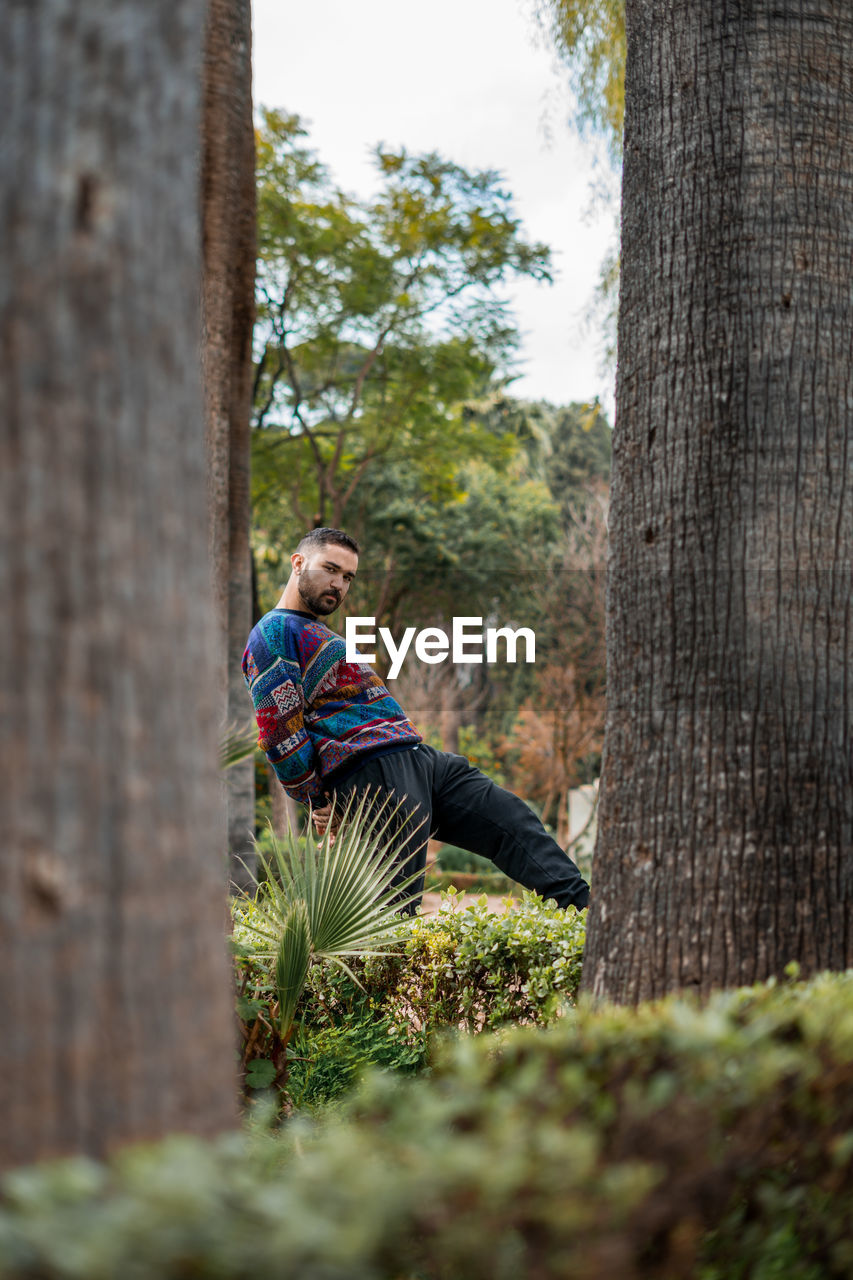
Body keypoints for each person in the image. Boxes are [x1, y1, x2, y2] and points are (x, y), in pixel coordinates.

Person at [242, 527, 590, 913]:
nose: (338, 584)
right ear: (298, 563)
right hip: (373, 771)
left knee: (513, 821)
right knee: (397, 907)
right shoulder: (273, 632)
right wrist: (316, 798)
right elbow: (278, 729)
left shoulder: (317, 632)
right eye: (331, 569)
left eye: (348, 577)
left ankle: (590, 913)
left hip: (418, 760)